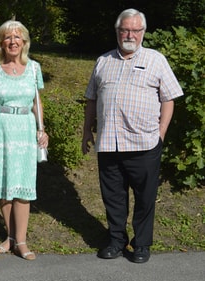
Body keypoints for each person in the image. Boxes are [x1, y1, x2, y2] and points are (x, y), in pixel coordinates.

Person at [82, 8, 183, 264]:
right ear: (117, 31)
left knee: (145, 198)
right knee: (113, 198)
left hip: (144, 144)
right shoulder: (103, 61)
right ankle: (116, 241)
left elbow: (168, 98)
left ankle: (141, 245)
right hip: (109, 143)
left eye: (135, 30)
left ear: (143, 32)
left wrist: (161, 133)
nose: (130, 34)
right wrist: (86, 131)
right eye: (125, 29)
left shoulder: (156, 59)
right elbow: (91, 99)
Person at [0, 20, 48, 261]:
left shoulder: (34, 68)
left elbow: (37, 103)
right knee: (4, 185)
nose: (13, 41)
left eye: (18, 38)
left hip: (25, 130)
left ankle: (22, 241)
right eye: (8, 37)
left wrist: (42, 130)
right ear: (1, 43)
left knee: (23, 186)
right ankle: (11, 238)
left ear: (24, 43)